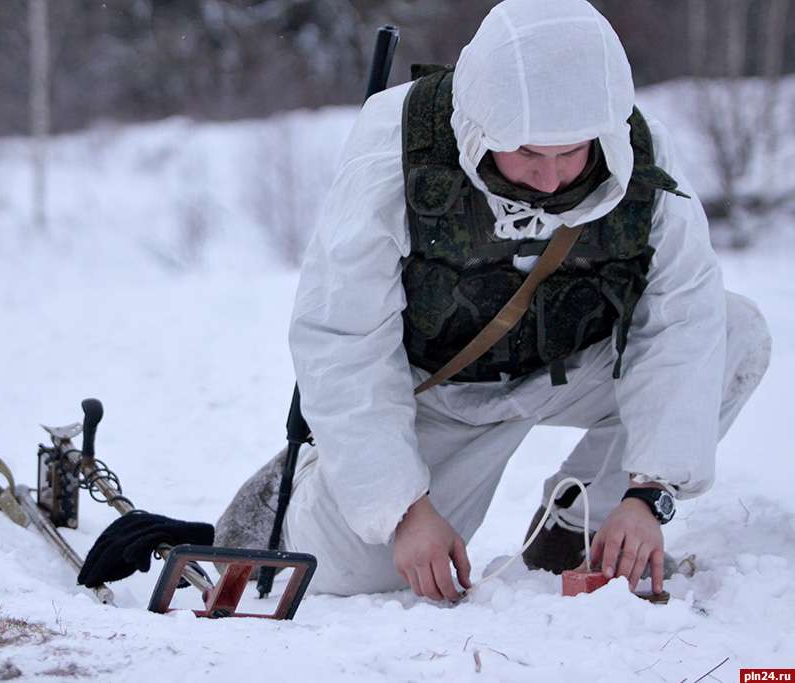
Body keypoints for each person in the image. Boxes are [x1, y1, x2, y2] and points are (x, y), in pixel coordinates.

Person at [215, 0, 771, 601]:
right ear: (482, 125)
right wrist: (402, 510)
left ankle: (577, 524)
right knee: (359, 574)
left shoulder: (639, 151)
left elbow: (681, 319)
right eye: (529, 153)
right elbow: (345, 336)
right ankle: (312, 484)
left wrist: (647, 493)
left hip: (575, 366)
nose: (552, 178)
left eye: (569, 152)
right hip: (443, 391)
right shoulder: (396, 150)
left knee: (734, 330)